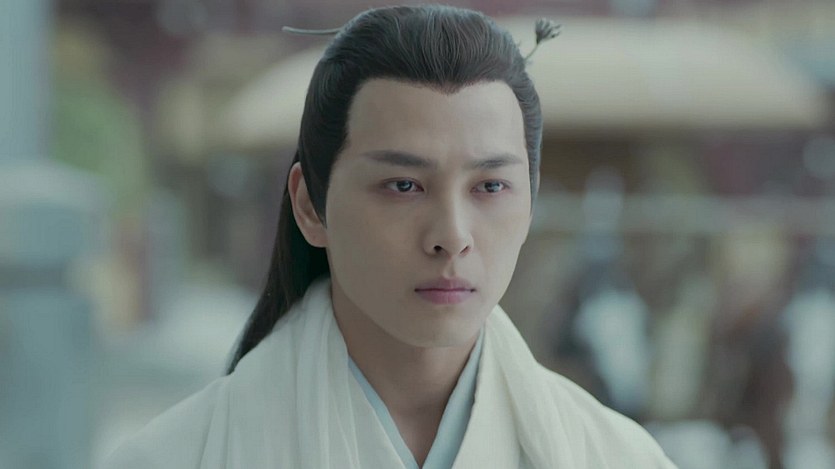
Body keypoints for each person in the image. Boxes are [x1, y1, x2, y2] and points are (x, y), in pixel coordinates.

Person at [105, 5, 676, 468]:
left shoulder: (617, 457)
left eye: (490, 187)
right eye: (403, 185)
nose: (451, 237)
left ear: (531, 203)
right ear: (310, 205)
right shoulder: (174, 457)